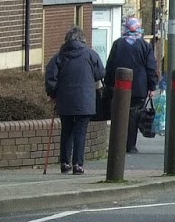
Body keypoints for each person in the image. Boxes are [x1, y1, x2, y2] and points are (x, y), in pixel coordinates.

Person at [44, 26, 104, 174]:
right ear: (83, 39)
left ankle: (65, 162)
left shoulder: (59, 56)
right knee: (80, 132)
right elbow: (100, 73)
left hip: (65, 100)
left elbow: (51, 77)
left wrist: (53, 94)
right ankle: (78, 164)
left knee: (66, 130)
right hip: (85, 100)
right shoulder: (91, 55)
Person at [105, 15, 161, 152]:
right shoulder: (145, 46)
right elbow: (150, 67)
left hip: (119, 87)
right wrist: (152, 86)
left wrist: (109, 84)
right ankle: (130, 145)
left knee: (119, 114)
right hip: (138, 88)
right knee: (133, 116)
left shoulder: (117, 44)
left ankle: (117, 144)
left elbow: (110, 65)